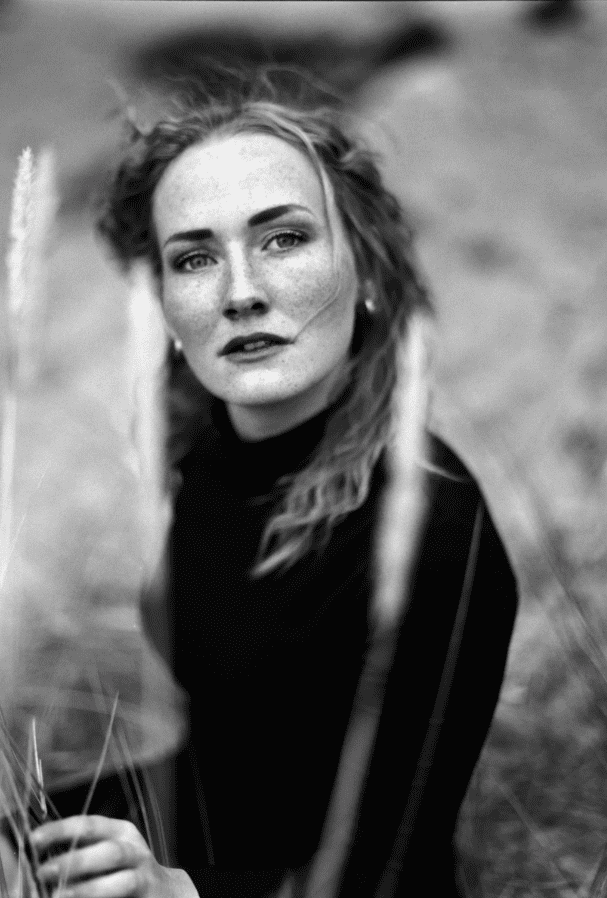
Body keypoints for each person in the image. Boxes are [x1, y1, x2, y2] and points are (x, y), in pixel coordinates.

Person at [30, 70, 518, 898]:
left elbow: (383, 872)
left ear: (363, 265)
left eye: (283, 239)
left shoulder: (431, 538)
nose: (241, 292)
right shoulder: (204, 450)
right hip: (209, 825)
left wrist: (174, 890)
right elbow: (237, 743)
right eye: (194, 257)